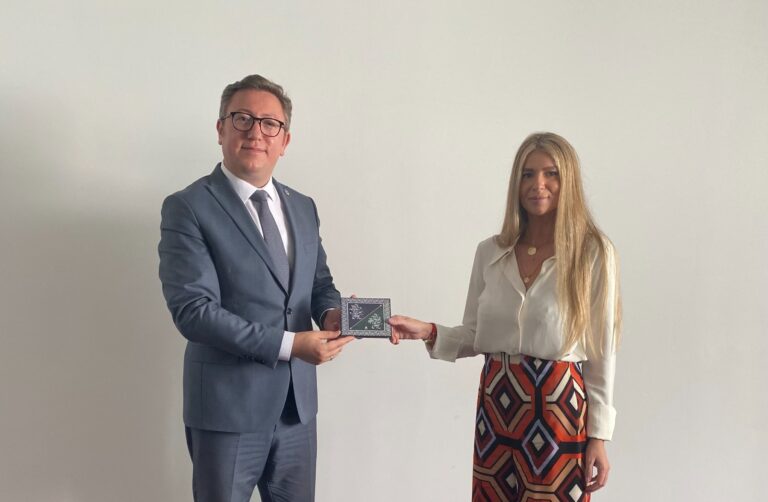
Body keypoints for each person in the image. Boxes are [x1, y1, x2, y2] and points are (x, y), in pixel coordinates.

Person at [388, 132, 621, 501]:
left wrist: (599, 436)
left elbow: (601, 350)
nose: (538, 184)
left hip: (558, 407)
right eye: (528, 174)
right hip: (497, 402)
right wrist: (428, 331)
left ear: (569, 181)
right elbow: (475, 334)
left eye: (551, 174)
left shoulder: (591, 252)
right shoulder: (491, 252)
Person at [158, 74, 353, 502]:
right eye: (242, 119)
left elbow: (319, 284)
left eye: (270, 124)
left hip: (297, 410)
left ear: (285, 140)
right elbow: (193, 311)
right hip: (226, 411)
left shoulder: (303, 207)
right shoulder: (188, 207)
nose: (256, 133)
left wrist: (332, 314)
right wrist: (290, 345)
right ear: (220, 129)